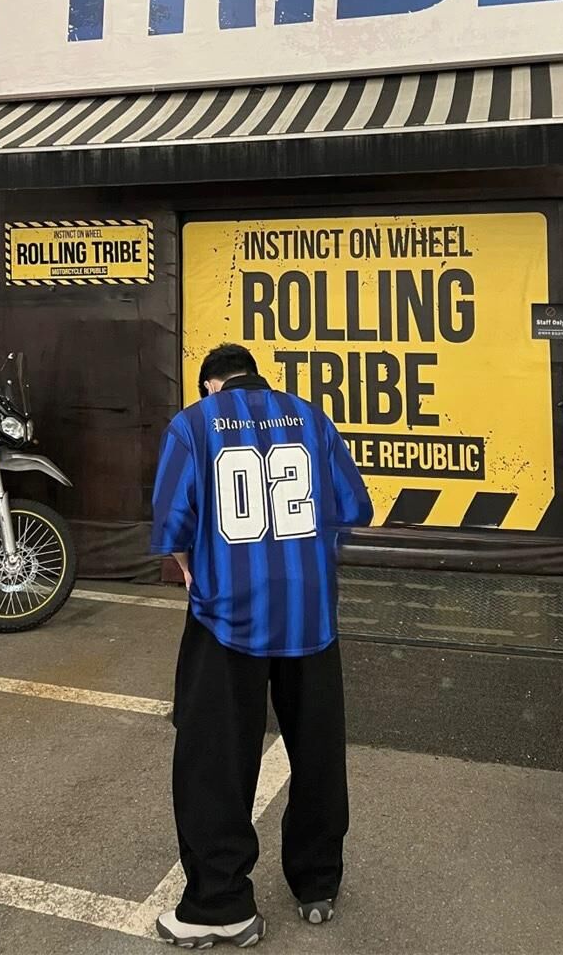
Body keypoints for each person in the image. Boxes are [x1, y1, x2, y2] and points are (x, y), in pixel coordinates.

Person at [151, 343, 373, 949]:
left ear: (210, 384)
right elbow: (354, 507)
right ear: (254, 375)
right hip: (310, 614)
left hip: (229, 616)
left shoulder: (193, 425)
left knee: (215, 756)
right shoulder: (311, 417)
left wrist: (191, 571)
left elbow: (173, 523)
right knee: (318, 750)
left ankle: (219, 904)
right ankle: (317, 884)